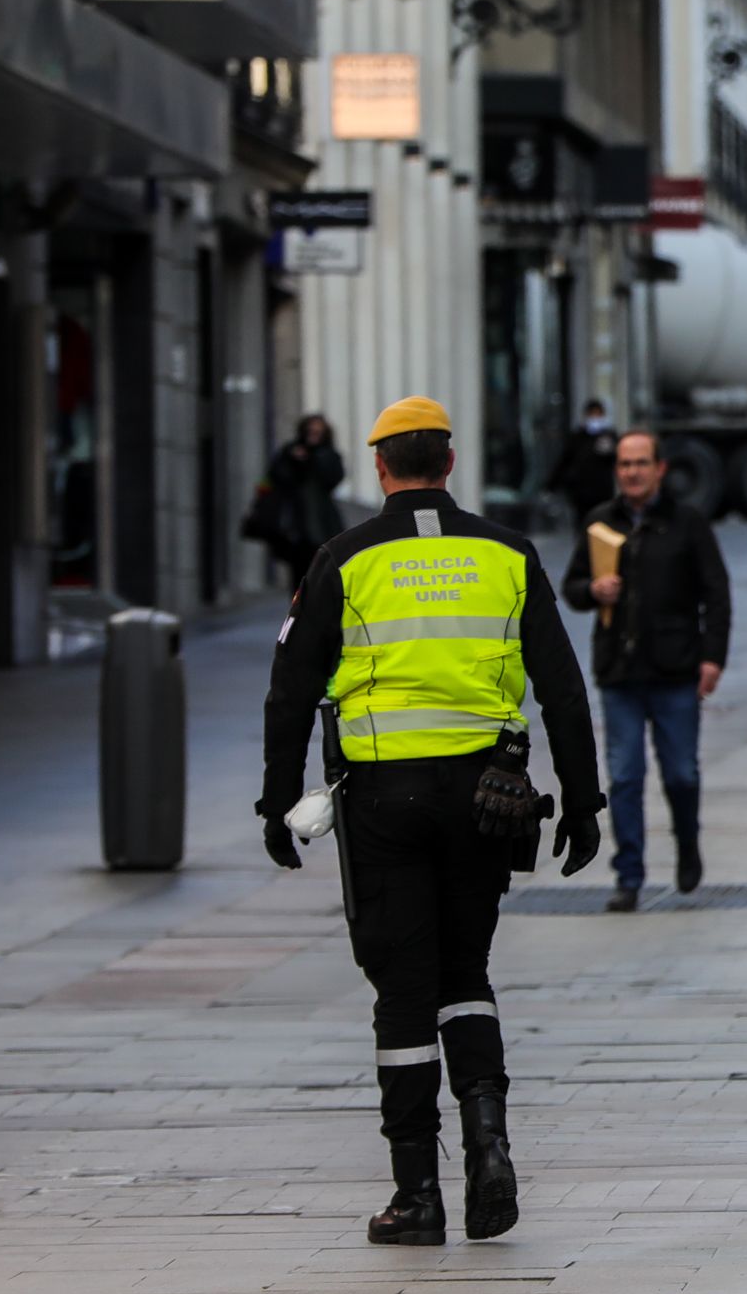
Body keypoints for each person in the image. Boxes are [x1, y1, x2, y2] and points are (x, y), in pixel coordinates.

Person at [258, 395, 602, 1247]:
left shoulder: (344, 558)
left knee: (402, 991)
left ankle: (416, 1192)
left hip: (383, 802)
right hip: (488, 798)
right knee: (465, 972)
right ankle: (490, 1145)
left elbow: (291, 689)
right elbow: (562, 685)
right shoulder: (507, 554)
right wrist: (587, 801)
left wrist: (276, 802)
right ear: (449, 464)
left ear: (380, 467)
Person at [561, 429, 732, 912]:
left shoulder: (687, 523)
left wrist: (712, 657)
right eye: (624, 464)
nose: (631, 472)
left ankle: (687, 844)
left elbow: (716, 594)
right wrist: (594, 590)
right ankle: (629, 876)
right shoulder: (600, 523)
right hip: (621, 674)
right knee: (625, 776)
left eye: (640, 463)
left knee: (680, 773)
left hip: (676, 671)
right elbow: (571, 585)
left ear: (660, 469)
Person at [254, 413, 346, 588]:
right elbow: (276, 476)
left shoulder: (328, 455)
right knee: (298, 573)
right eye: (310, 431)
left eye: (317, 432)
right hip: (295, 524)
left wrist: (312, 460)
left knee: (322, 570)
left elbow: (333, 478)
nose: (313, 435)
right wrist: (294, 460)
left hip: (321, 523)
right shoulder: (289, 452)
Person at [545, 399, 618, 522]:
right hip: (581, 494)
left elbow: (615, 460)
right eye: (592, 414)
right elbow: (565, 461)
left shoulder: (609, 436)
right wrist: (551, 486)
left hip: (602, 492)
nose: (595, 418)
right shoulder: (577, 437)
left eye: (598, 414)